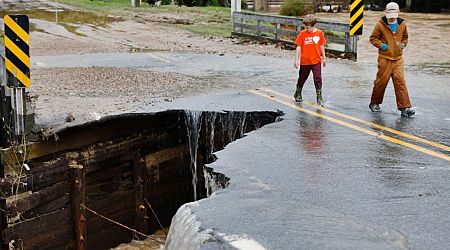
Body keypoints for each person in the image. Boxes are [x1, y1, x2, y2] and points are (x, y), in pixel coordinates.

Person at [369, 2, 415, 117]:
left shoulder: (402, 24)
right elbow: (373, 38)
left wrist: (403, 45)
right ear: (386, 13)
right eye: (390, 15)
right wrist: (382, 46)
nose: (392, 18)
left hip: (398, 59)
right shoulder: (380, 24)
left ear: (398, 13)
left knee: (401, 82)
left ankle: (404, 108)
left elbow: (405, 37)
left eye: (394, 15)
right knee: (381, 82)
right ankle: (374, 103)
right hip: (385, 59)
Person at [293, 15, 327, 106]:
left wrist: (324, 58)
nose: (307, 28)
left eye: (308, 26)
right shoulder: (302, 34)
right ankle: (298, 92)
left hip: (316, 61)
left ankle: (319, 96)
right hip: (305, 61)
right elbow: (299, 46)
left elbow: (321, 46)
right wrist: (296, 60)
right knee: (302, 78)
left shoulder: (319, 33)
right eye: (305, 26)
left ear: (314, 25)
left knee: (317, 78)